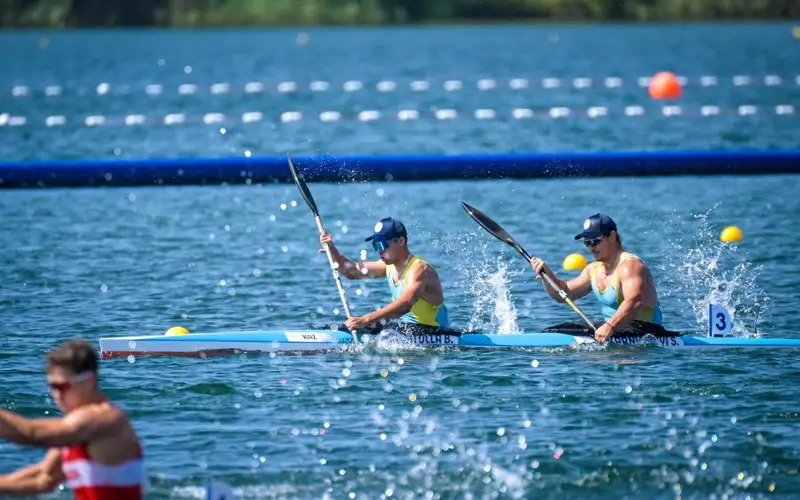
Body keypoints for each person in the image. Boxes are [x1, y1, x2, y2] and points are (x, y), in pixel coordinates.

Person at [0, 339, 144, 499]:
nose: (56, 395)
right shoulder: (75, 430)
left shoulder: (103, 419)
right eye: (52, 387)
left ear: (89, 381)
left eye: (61, 387)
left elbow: (33, 433)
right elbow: (44, 480)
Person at [529, 213, 663, 342]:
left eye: (595, 241)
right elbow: (563, 293)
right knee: (559, 330)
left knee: (572, 331)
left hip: (647, 331)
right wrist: (547, 276)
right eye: (587, 243)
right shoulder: (593, 270)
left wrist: (609, 326)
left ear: (612, 236)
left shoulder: (630, 266)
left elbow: (634, 302)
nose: (591, 247)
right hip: (615, 331)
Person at [319, 217, 450, 331]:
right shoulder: (389, 266)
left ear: (401, 241)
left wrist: (366, 319)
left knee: (371, 325)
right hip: (407, 329)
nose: (379, 251)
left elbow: (406, 303)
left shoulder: (420, 269)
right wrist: (332, 250)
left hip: (434, 332)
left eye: (382, 245)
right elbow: (352, 271)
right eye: (375, 245)